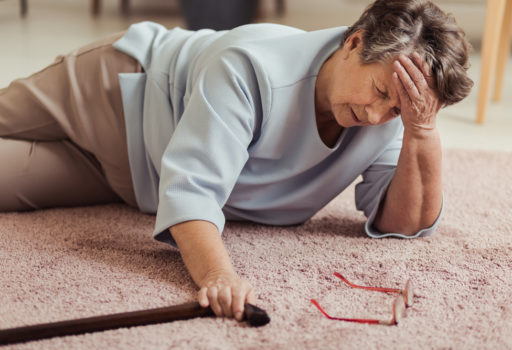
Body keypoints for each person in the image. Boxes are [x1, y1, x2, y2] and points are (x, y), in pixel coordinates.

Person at [0, 0, 473, 322]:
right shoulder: (250, 66)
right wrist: (218, 275)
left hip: (133, 177)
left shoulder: (393, 117)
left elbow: (403, 222)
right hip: (114, 93)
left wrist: (421, 129)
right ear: (354, 42)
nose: (374, 115)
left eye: (396, 108)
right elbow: (192, 192)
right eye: (379, 92)